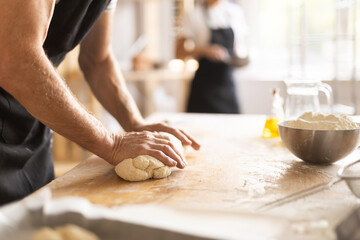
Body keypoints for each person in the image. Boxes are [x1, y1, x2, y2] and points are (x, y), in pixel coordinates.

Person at [0, 0, 200, 206]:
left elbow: (98, 59)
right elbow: (16, 59)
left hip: (31, 122)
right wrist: (111, 144)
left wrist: (134, 122)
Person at [176, 0, 248, 114]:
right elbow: (178, 52)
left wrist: (240, 57)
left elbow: (240, 47)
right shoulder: (193, 15)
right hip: (203, 85)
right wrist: (205, 50)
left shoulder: (235, 12)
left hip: (227, 82)